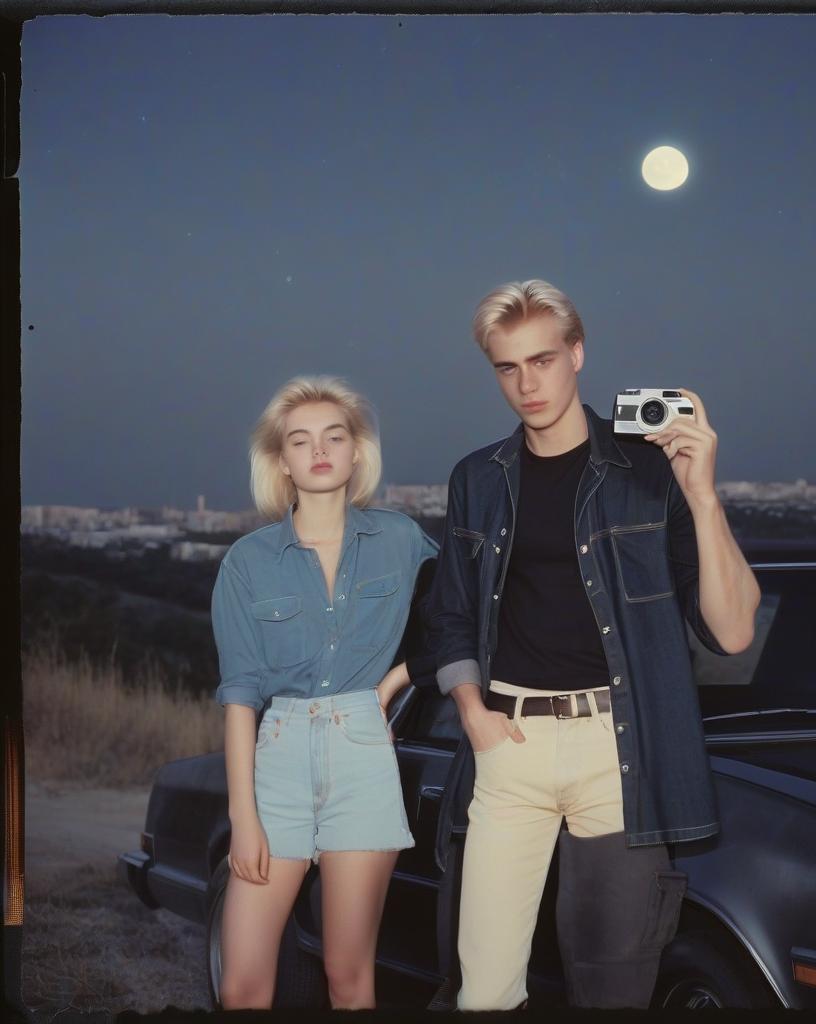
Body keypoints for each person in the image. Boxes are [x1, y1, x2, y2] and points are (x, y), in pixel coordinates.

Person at [429, 280, 761, 1010]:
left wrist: (702, 495)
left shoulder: (647, 472)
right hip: (509, 743)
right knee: (482, 993)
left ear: (577, 354)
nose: (527, 383)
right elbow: (451, 614)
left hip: (619, 751)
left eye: (543, 360)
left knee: (611, 987)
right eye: (508, 367)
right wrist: (472, 711)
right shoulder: (476, 480)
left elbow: (733, 631)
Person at [211, 375, 437, 1010]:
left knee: (349, 976)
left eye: (334, 436)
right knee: (243, 985)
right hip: (275, 763)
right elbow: (239, 696)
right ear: (280, 460)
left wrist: (395, 682)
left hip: (363, 757)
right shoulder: (248, 561)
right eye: (301, 440)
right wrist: (243, 818)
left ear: (357, 451)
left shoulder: (400, 541)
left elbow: (460, 618)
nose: (318, 451)